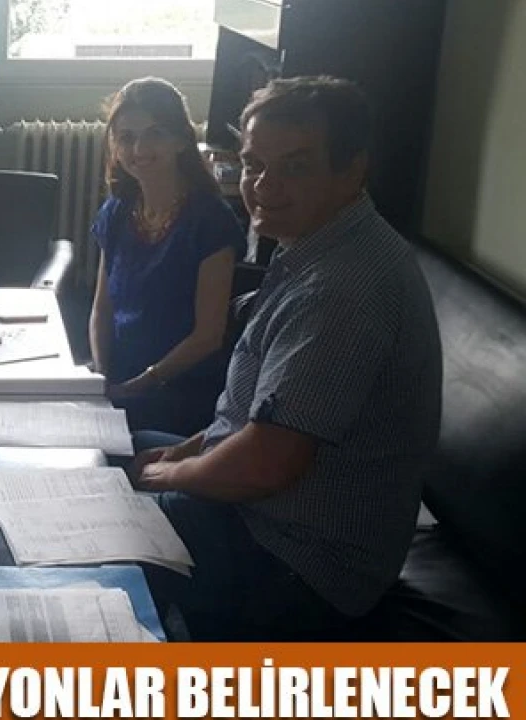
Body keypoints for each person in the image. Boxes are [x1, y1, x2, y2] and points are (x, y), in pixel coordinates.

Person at [131, 77, 442, 639]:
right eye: (254, 165)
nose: (263, 187)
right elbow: (254, 415)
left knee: (110, 526)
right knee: (111, 456)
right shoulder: (316, 245)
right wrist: (181, 453)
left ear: (353, 170)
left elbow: (264, 465)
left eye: (295, 167)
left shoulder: (342, 289)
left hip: (298, 565)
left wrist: (167, 476)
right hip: (267, 513)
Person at [89, 78, 247, 436]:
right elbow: (102, 309)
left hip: (178, 389)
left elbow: (208, 336)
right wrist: (100, 373)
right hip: (119, 377)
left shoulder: (210, 220)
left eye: (155, 134)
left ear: (181, 140)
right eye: (126, 137)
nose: (139, 149)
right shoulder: (117, 210)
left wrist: (141, 384)